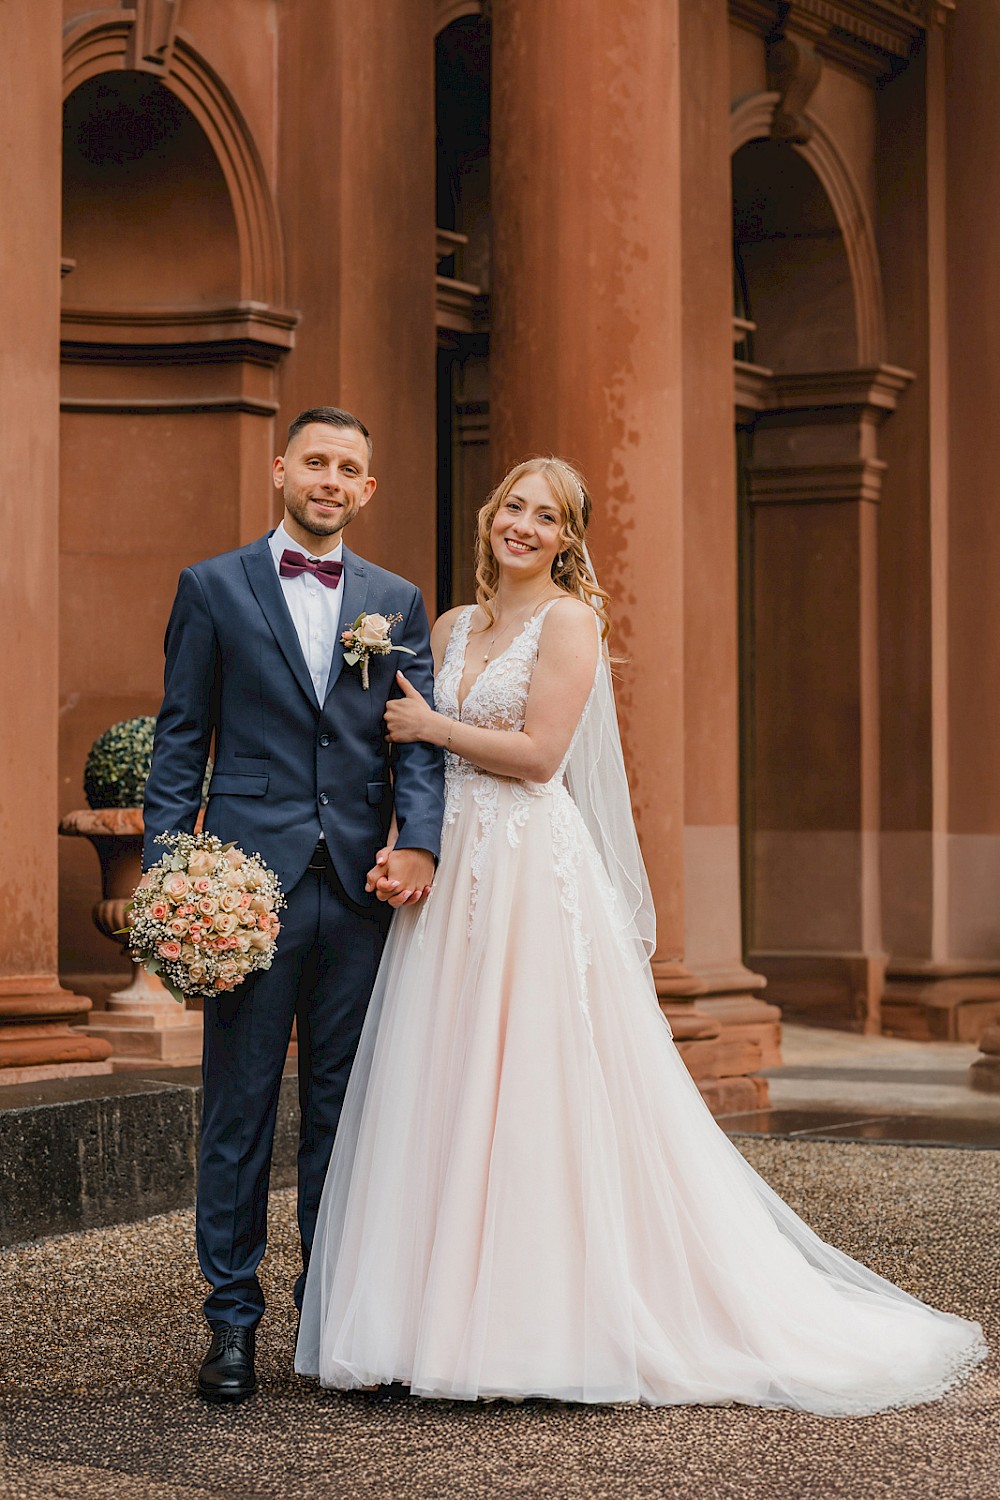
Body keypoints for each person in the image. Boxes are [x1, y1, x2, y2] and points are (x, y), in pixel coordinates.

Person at [294, 455, 986, 1412]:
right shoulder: (450, 625)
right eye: (514, 507)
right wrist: (403, 837)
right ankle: (425, 1322)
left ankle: (538, 1327)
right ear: (490, 516)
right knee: (442, 1076)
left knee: (530, 1080)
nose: (524, 525)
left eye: (547, 517)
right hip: (451, 873)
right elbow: (406, 756)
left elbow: (540, 757)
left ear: (567, 539)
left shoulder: (569, 623)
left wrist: (431, 728)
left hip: (528, 870)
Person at [143, 406, 445, 1404]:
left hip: (359, 895)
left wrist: (421, 841)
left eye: (348, 468)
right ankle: (231, 1321)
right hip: (246, 893)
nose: (329, 480)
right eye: (315, 461)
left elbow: (417, 742)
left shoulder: (395, 601)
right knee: (238, 1110)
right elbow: (180, 741)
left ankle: (330, 1320)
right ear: (281, 469)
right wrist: (173, 876)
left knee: (343, 1114)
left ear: (368, 489)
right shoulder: (212, 587)